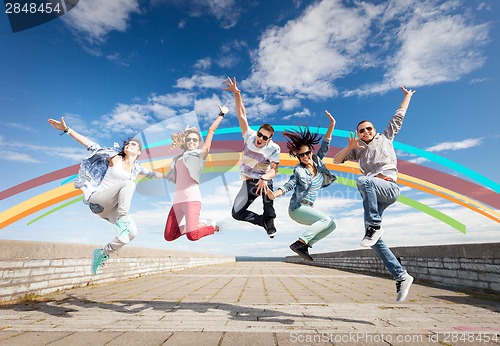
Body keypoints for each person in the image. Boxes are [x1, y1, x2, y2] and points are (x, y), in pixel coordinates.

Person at [48, 117, 167, 275]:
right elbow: (91, 145)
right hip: (98, 201)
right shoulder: (115, 158)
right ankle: (123, 219)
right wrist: (67, 130)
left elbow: (151, 174)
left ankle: (103, 253)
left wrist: (170, 175)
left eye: (134, 144)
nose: (129, 145)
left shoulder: (137, 168)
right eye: (128, 143)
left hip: (111, 209)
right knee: (129, 184)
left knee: (131, 234)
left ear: (139, 152)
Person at [333, 86, 416, 302]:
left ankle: (374, 226)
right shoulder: (358, 150)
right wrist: (350, 146)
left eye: (369, 129)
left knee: (363, 181)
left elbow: (398, 117)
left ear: (374, 130)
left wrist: (406, 97)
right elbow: (336, 160)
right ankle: (401, 276)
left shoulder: (385, 138)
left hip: (388, 187)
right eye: (361, 131)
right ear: (358, 135)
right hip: (373, 194)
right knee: (373, 241)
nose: (366, 132)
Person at [267, 111, 337, 261]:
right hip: (297, 208)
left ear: (311, 151)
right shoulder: (299, 170)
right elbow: (290, 184)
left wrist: (332, 125)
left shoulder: (318, 161)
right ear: (298, 156)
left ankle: (305, 245)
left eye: (307, 153)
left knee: (331, 225)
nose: (305, 157)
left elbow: (326, 144)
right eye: (301, 155)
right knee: (325, 220)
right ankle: (300, 242)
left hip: (308, 209)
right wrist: (275, 194)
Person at [223, 77, 281, 238]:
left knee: (267, 190)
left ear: (269, 139)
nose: (260, 139)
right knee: (236, 213)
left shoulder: (274, 148)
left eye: (264, 137)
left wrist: (265, 177)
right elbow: (242, 115)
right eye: (260, 134)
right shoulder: (249, 136)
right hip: (248, 181)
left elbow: (274, 170)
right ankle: (261, 220)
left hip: (263, 179)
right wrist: (236, 94)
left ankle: (269, 220)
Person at [164, 105, 228, 241]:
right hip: (177, 201)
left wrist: (221, 114)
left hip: (192, 199)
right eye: (189, 140)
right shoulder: (180, 157)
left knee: (192, 236)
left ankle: (212, 227)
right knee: (169, 236)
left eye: (195, 140)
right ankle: (196, 223)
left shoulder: (200, 155)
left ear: (199, 142)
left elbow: (211, 131)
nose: (192, 142)